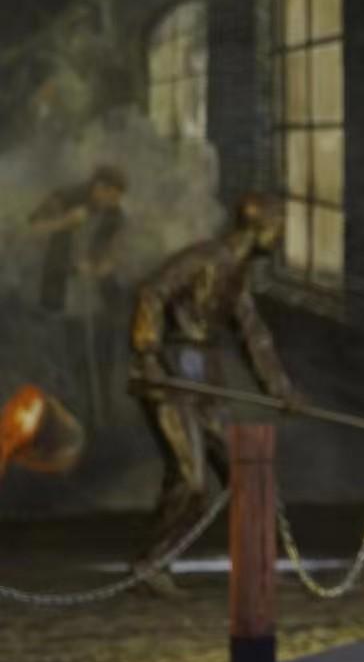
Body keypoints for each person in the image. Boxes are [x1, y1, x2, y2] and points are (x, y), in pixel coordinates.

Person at [128, 192, 304, 597]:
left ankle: (259, 564)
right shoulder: (203, 257)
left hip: (205, 374)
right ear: (259, 225)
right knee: (191, 481)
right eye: (278, 226)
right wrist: (148, 354)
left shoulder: (236, 275)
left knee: (247, 471)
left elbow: (253, 335)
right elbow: (151, 293)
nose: (280, 236)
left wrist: (280, 389)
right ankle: (150, 563)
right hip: (171, 372)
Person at [28, 164, 127, 314]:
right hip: (53, 268)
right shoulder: (65, 197)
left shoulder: (114, 211)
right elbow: (32, 228)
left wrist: (99, 263)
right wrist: (64, 223)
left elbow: (110, 246)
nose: (115, 203)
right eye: (112, 197)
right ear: (99, 188)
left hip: (86, 269)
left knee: (112, 288)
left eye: (117, 198)